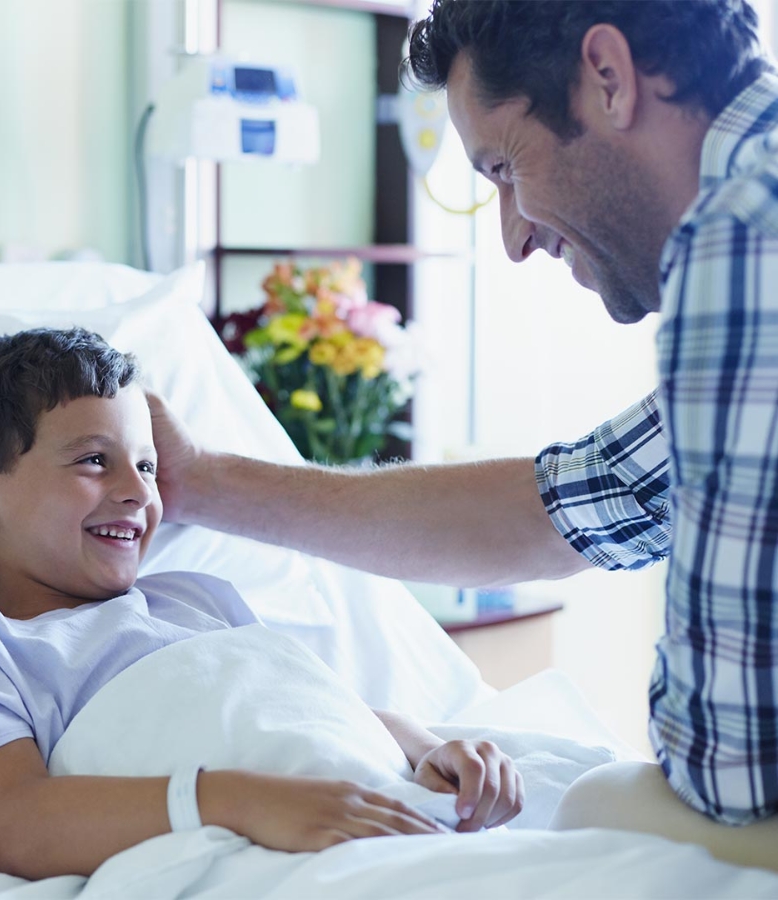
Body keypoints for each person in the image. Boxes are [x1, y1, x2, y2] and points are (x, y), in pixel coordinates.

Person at [142, 0, 778, 860]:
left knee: (598, 819)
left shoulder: (741, 235)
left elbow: (732, 772)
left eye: (506, 167)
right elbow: (591, 498)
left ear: (608, 78)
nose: (514, 238)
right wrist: (201, 481)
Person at [0, 327, 523, 881]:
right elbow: (17, 823)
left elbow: (311, 711)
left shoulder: (190, 596)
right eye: (94, 461)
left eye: (148, 466)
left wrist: (432, 749)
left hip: (377, 804)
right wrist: (238, 801)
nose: (139, 492)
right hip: (263, 844)